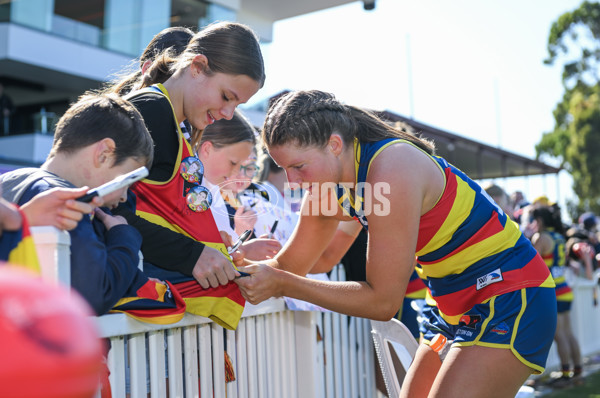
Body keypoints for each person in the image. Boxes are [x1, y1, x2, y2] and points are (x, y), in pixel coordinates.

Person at [235, 90, 557, 398]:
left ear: (334, 144)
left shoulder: (391, 168)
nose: (292, 182)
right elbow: (305, 264)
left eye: (298, 167)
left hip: (510, 292)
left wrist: (284, 284)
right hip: (451, 301)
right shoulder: (326, 189)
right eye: (283, 168)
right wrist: (238, 261)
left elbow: (382, 302)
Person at [111, 21, 266, 292]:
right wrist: (192, 254)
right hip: (136, 305)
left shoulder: (173, 120)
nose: (228, 114)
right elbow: (107, 209)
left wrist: (207, 242)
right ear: (197, 66)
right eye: (226, 96)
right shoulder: (152, 111)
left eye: (238, 105)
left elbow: (160, 212)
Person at [0, 93, 185, 320]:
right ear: (104, 153)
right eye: (126, 180)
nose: (125, 197)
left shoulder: (9, 182)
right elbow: (94, 294)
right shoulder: (67, 203)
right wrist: (124, 236)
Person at [531, 206, 585, 387]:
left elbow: (529, 262)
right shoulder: (559, 237)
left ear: (539, 221)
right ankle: (577, 372)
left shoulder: (542, 237)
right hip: (564, 288)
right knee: (568, 333)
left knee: (559, 335)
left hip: (552, 291)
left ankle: (565, 374)